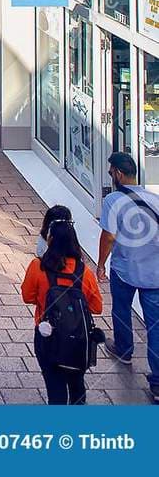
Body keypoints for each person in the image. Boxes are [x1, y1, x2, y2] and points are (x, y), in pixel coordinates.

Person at [97, 151, 159, 402]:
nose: (111, 176)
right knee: (155, 326)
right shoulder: (155, 199)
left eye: (111, 172)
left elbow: (109, 236)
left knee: (121, 310)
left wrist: (100, 264)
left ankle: (124, 348)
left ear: (119, 174)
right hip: (154, 272)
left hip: (124, 268)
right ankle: (157, 383)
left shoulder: (113, 200)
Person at [21, 219, 102, 405]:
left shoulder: (38, 266)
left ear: (50, 241)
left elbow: (27, 296)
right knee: (77, 384)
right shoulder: (85, 273)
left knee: (54, 388)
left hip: (47, 336)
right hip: (79, 340)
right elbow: (97, 307)